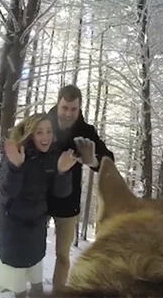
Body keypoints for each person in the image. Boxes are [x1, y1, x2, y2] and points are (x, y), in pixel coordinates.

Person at [0, 113, 77, 298]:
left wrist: (62, 172)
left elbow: (60, 193)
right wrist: (15, 167)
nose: (46, 137)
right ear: (30, 134)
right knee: (19, 287)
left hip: (36, 227)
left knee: (37, 282)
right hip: (14, 229)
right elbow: (8, 192)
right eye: (39, 132)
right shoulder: (17, 152)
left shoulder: (52, 156)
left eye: (48, 131)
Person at [47, 84, 115, 290]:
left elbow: (109, 161)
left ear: (79, 108)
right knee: (31, 252)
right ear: (58, 104)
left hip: (68, 202)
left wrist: (93, 160)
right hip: (39, 198)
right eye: (65, 108)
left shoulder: (86, 131)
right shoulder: (42, 124)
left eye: (73, 109)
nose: (68, 113)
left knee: (62, 255)